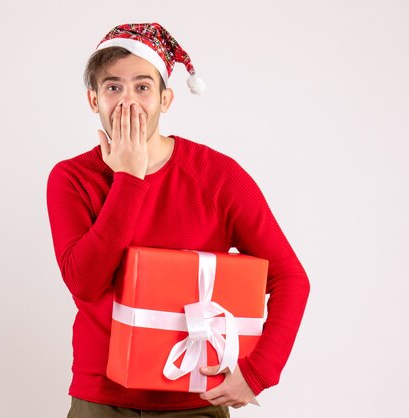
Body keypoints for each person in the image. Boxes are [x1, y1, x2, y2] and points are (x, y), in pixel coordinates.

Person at [46, 22, 310, 418]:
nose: (128, 102)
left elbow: (290, 277)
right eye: (113, 87)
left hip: (196, 401)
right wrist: (129, 178)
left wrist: (259, 371)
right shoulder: (70, 178)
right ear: (93, 99)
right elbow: (85, 283)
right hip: (100, 400)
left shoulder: (217, 176)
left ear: (166, 99)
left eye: (142, 87)